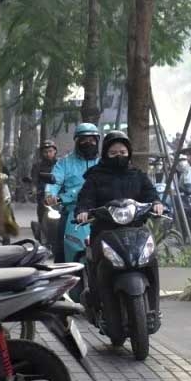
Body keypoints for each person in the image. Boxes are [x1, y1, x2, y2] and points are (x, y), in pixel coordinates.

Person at [75, 131, 164, 328]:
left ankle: (153, 308)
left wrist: (156, 203)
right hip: (105, 231)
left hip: (136, 231)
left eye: (122, 152)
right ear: (105, 153)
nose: (118, 156)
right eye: (113, 152)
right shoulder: (95, 177)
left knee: (151, 259)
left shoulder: (138, 175)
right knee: (98, 262)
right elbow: (85, 198)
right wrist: (82, 211)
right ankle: (99, 303)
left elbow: (150, 193)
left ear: (129, 153)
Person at [46, 123, 100, 263]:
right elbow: (55, 181)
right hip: (72, 209)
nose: (88, 143)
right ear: (77, 141)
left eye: (92, 139)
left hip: (100, 211)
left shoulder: (103, 162)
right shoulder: (64, 163)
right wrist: (50, 194)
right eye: (84, 139)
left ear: (97, 141)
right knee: (60, 247)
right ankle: (62, 272)